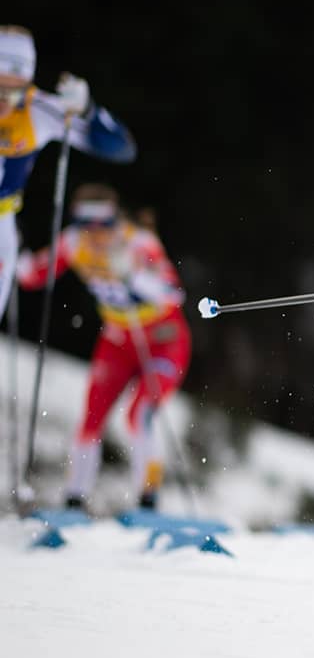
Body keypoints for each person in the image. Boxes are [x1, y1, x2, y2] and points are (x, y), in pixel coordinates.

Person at [15, 183, 190, 512]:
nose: (96, 234)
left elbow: (172, 293)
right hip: (117, 342)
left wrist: (135, 276)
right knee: (91, 419)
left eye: (104, 225)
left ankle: (148, 499)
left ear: (115, 219)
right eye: (87, 225)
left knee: (139, 414)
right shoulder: (73, 242)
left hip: (163, 341)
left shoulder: (139, 242)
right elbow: (33, 274)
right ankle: (74, 499)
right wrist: (11, 248)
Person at [0, 25, 137, 316]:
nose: (3, 102)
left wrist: (88, 109)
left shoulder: (38, 111)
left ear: (27, 84)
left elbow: (122, 149)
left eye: (13, 92)